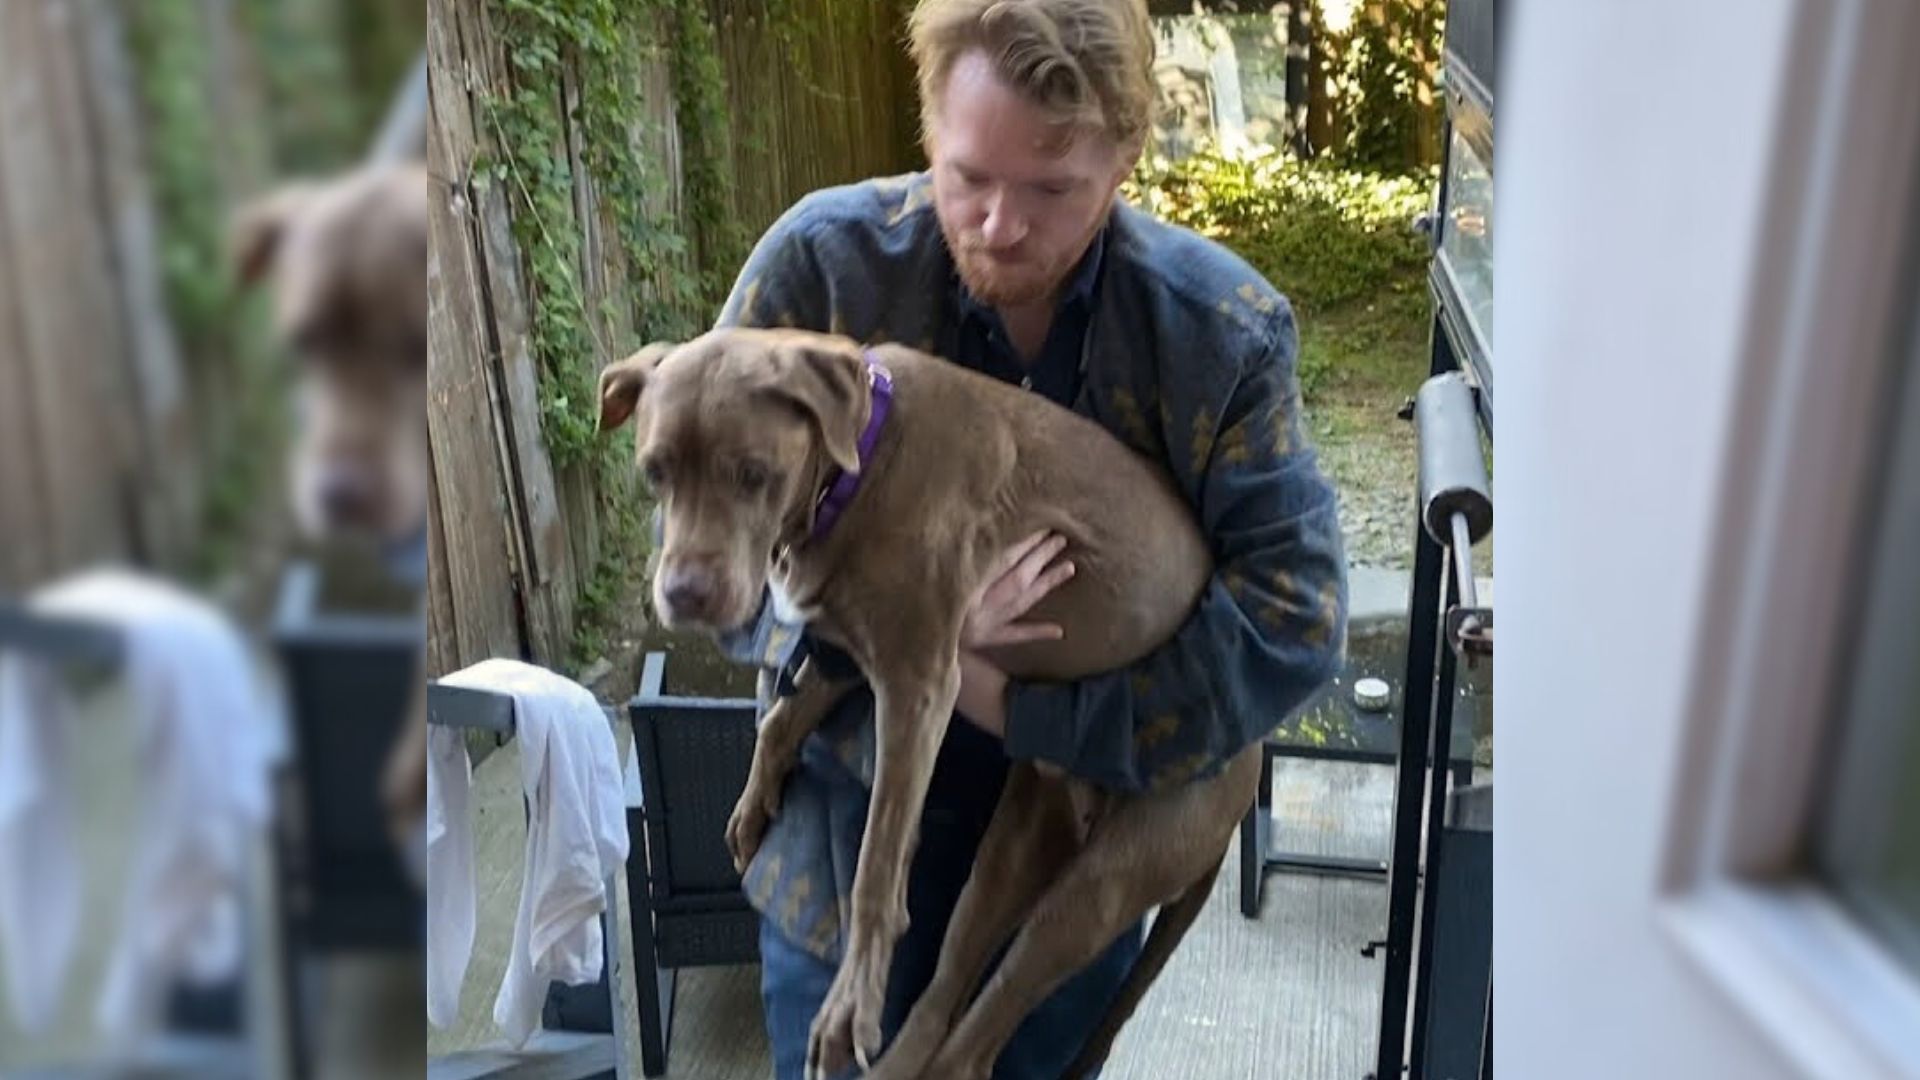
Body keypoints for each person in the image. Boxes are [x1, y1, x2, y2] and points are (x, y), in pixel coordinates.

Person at [708, 1, 1348, 1076]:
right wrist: (900, 636)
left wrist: (1020, 703)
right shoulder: (821, 277)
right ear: (928, 131)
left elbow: (1295, 622)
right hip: (841, 851)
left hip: (1066, 849)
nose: (1000, 225)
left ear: (1128, 155)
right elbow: (709, 548)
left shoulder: (1218, 336)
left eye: (1053, 190)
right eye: (969, 178)